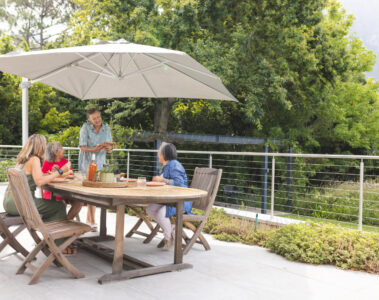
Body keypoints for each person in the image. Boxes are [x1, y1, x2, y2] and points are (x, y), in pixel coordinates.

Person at [3, 134, 75, 255]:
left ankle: (49, 239)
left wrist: (56, 176)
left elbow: (39, 177)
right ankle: (59, 246)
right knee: (59, 206)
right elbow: (40, 181)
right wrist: (60, 171)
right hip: (21, 204)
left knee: (49, 207)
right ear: (40, 146)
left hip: (9, 202)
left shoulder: (22, 160)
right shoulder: (34, 159)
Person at [146, 142, 189, 251]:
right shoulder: (166, 166)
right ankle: (171, 228)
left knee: (161, 213)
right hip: (169, 200)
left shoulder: (175, 165)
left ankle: (168, 238)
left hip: (180, 201)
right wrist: (158, 180)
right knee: (150, 209)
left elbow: (180, 184)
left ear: (164, 153)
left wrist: (163, 180)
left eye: (159, 150)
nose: (157, 153)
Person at [78, 108, 113, 231]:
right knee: (90, 191)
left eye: (98, 117)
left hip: (100, 163)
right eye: (94, 118)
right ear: (89, 120)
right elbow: (82, 146)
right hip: (87, 162)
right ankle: (92, 220)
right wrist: (93, 150)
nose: (97, 120)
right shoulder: (85, 128)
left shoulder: (106, 128)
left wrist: (109, 148)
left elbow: (110, 146)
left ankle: (90, 220)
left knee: (95, 192)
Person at [42, 142, 82, 220]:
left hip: (67, 191)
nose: (63, 150)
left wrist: (58, 174)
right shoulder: (47, 163)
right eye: (61, 148)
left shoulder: (64, 160)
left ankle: (66, 221)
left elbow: (71, 174)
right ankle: (63, 223)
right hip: (52, 193)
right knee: (62, 204)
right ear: (55, 152)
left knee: (78, 203)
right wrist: (58, 173)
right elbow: (45, 178)